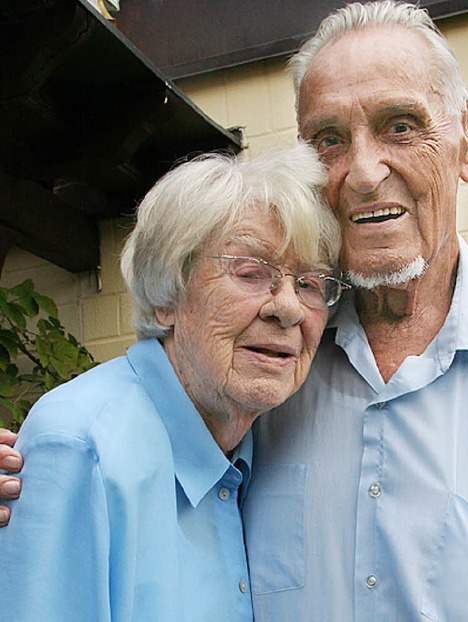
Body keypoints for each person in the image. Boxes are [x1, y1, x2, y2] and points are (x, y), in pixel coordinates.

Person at [1, 2, 468, 620]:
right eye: (329, 140)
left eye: (401, 125)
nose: (364, 172)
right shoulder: (271, 372)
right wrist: (47, 470)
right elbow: (133, 424)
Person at [0, 143, 346, 620]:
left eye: (309, 284)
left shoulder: (258, 446)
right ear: (167, 296)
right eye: (250, 272)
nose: (287, 307)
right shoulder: (82, 448)